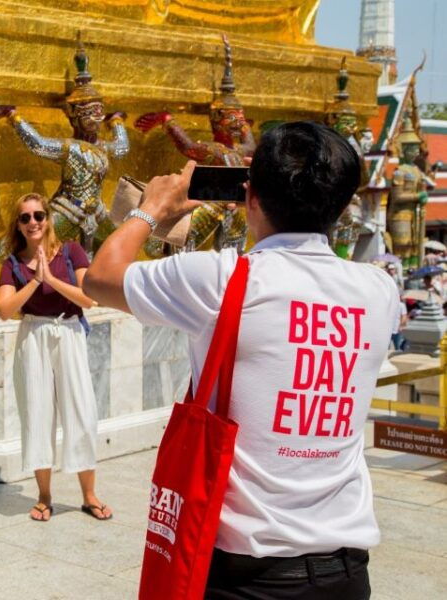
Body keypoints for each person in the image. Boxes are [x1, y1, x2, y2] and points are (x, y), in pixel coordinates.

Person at [85, 121, 400, 599]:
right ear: (341, 204)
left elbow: (101, 276)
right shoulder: (380, 291)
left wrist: (151, 209)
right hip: (345, 573)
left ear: (249, 197)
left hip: (245, 575)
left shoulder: (222, 278)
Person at [0, 193, 112, 522]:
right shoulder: (13, 263)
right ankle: (45, 496)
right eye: (25, 218)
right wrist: (35, 281)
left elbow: (89, 299)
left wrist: (52, 280)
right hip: (33, 337)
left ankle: (89, 494)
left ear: (48, 218)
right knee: (38, 413)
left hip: (69, 333)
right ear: (18, 225)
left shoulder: (71, 251)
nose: (33, 222)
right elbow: (5, 309)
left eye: (38, 215)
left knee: (81, 410)